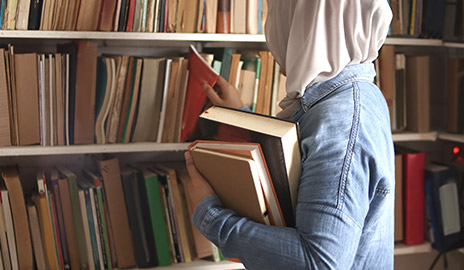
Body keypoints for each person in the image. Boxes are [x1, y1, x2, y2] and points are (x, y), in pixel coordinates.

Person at [182, 0, 394, 269]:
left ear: (306, 25)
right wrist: (240, 116)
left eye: (278, 14)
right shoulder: (356, 91)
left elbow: (318, 262)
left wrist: (209, 215)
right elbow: (298, 167)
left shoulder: (339, 121)